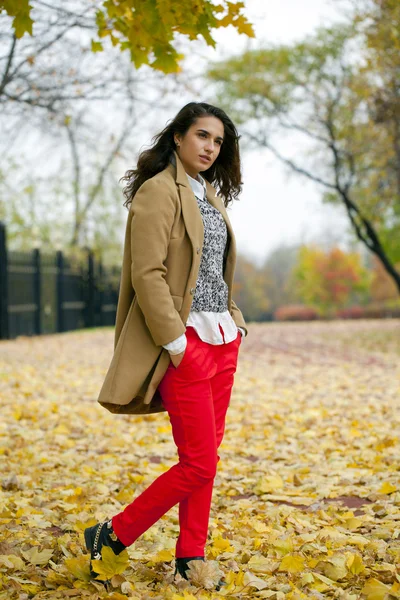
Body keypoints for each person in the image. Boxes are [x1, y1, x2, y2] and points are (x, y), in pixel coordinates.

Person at [84, 101, 248, 590]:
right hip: (187, 343)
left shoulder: (209, 194)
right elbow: (148, 273)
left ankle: (189, 558)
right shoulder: (158, 193)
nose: (210, 147)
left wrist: (235, 323)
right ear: (178, 137)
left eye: (218, 141)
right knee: (199, 461)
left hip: (222, 341)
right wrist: (177, 343)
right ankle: (112, 534)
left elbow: (215, 270)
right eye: (201, 136)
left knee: (206, 460)